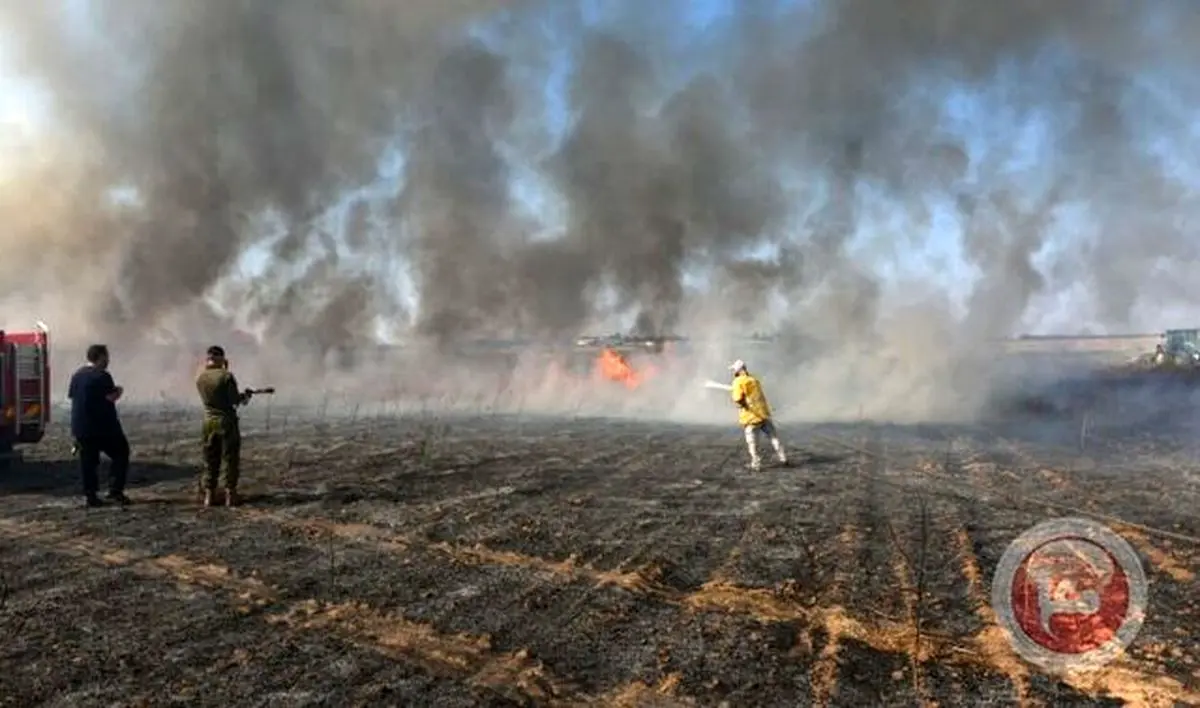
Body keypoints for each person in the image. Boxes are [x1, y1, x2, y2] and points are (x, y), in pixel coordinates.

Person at [67, 344, 131, 507]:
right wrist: (119, 391)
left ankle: (91, 497)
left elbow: (73, 397)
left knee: (88, 463)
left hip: (81, 427)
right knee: (121, 452)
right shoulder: (102, 376)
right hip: (103, 427)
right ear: (100, 357)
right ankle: (115, 491)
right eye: (106, 357)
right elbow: (110, 397)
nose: (108, 360)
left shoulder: (77, 375)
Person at [194, 345, 251, 507]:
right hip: (226, 422)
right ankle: (230, 495)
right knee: (230, 458)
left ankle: (209, 496)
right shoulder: (226, 376)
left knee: (210, 459)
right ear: (221, 358)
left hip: (208, 423)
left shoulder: (200, 377)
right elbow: (234, 401)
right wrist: (245, 397)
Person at [728, 359, 787, 471]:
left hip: (751, 417)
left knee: (752, 443)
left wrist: (741, 404)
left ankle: (756, 464)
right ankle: (783, 458)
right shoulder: (753, 380)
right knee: (774, 437)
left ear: (737, 370)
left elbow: (738, 399)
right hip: (763, 414)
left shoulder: (738, 382)